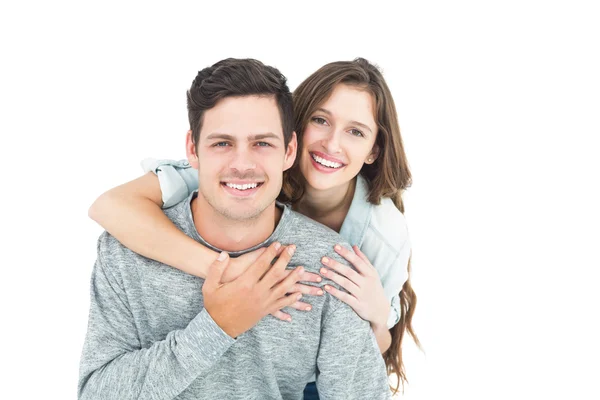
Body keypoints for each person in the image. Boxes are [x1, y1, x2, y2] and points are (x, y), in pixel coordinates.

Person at [89, 58, 419, 398]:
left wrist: (378, 319)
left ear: (287, 149)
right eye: (221, 144)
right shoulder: (136, 238)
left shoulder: (353, 254)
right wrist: (223, 292)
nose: (242, 165)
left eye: (262, 143)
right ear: (193, 151)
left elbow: (364, 371)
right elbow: (109, 206)